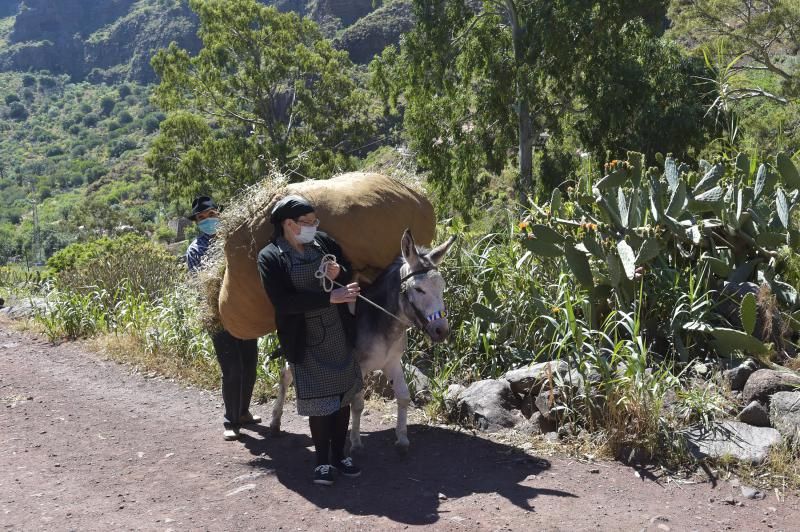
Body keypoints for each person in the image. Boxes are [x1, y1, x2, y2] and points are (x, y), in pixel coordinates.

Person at [257, 195, 363, 486]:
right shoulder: (270, 257)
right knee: (320, 403)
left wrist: (339, 273)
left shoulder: (324, 243)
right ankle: (322, 462)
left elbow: (347, 268)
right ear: (289, 224)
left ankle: (340, 456)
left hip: (338, 331)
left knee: (342, 397)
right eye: (308, 222)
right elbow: (282, 302)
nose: (315, 226)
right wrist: (330, 296)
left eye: (315, 221)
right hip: (306, 337)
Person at [186, 195, 261, 441]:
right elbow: (205, 287)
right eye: (201, 218)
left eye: (211, 215)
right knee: (233, 369)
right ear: (197, 222)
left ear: (220, 214)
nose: (207, 220)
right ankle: (231, 420)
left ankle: (243, 412)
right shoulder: (196, 250)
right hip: (217, 316)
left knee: (250, 363)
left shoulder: (236, 240)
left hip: (244, 311)